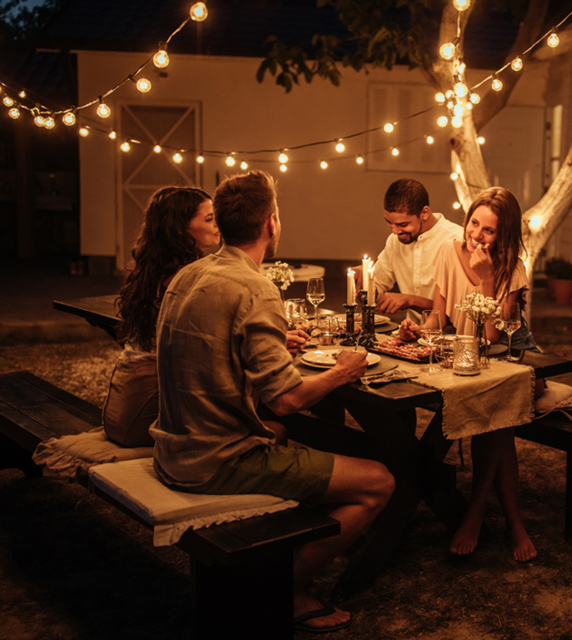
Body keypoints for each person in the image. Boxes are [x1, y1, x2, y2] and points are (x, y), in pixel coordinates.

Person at [150, 170, 394, 634]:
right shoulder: (255, 287)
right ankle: (283, 588)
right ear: (271, 224)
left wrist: (274, 342)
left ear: (221, 223)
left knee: (292, 438)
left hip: (173, 447)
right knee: (379, 480)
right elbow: (286, 400)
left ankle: (283, 556)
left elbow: (215, 350)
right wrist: (344, 370)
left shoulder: (190, 274)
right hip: (215, 461)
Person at [399, 186, 540, 562]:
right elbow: (438, 316)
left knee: (495, 418)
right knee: (499, 426)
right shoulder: (449, 250)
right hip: (462, 355)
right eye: (474, 223)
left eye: (489, 230)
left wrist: (486, 280)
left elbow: (493, 337)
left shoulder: (512, 268)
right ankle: (513, 522)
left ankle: (474, 513)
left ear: (504, 235)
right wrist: (420, 330)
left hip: (506, 357)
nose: (476, 235)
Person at [104, 187, 219, 447]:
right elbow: (208, 345)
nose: (217, 225)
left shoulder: (155, 268)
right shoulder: (184, 277)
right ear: (180, 228)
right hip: (144, 412)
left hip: (122, 407)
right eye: (209, 219)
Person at [368, 178, 463, 323]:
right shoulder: (395, 241)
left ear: (424, 213)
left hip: (452, 337)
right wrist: (364, 280)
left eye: (403, 224)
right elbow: (376, 290)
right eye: (389, 223)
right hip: (410, 334)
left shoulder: (457, 240)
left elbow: (461, 312)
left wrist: (411, 300)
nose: (395, 231)